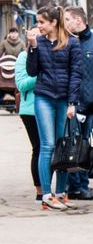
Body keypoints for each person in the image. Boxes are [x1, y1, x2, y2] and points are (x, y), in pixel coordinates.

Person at [26, 6, 81, 210]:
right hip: (44, 97)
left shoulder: (72, 42)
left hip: (64, 99)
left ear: (53, 23)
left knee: (62, 145)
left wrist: (72, 103)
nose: (38, 26)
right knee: (47, 145)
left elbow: (76, 73)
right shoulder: (37, 42)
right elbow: (32, 71)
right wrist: (32, 47)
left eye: (42, 22)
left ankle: (61, 192)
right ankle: (46, 194)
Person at [62, 6, 93, 201]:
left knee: (84, 146)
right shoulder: (65, 42)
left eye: (68, 19)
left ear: (79, 20)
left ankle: (82, 185)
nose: (65, 23)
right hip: (70, 104)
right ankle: (75, 186)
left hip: (90, 105)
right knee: (73, 146)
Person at [15, 26, 41, 203]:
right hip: (30, 110)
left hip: (51, 106)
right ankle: (40, 191)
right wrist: (41, 76)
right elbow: (22, 85)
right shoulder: (23, 57)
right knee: (39, 148)